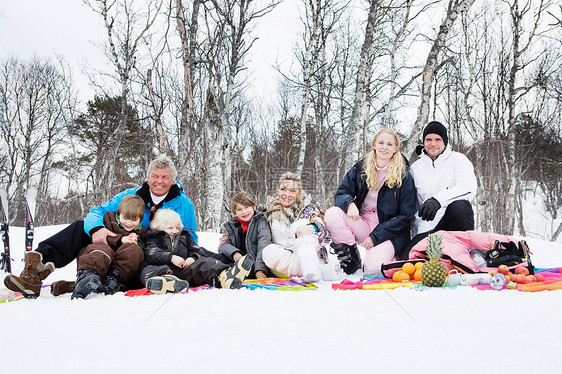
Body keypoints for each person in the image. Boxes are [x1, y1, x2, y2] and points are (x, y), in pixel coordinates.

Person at [4, 155, 198, 298]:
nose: (159, 181)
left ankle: (90, 282)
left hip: (146, 255)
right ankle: (33, 273)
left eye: (165, 177)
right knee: (81, 227)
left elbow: (190, 236)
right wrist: (98, 229)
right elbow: (97, 212)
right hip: (113, 243)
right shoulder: (131, 195)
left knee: (136, 261)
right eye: (155, 176)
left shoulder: (183, 204)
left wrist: (187, 259)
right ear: (148, 177)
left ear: (172, 179)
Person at [324, 128, 416, 275]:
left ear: (396, 148)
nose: (384, 147)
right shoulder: (361, 168)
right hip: (363, 224)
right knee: (332, 214)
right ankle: (351, 255)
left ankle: (393, 256)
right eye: (381, 142)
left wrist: (376, 236)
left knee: (373, 270)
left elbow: (406, 216)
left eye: (389, 144)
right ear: (374, 144)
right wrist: (350, 204)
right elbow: (341, 193)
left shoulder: (404, 175)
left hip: (389, 231)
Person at [405, 121, 477, 255]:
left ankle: (463, 251)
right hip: (425, 230)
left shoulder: (459, 160)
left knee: (461, 205)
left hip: (452, 225)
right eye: (428, 139)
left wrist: (438, 200)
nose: (433, 143)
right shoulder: (416, 168)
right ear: (424, 142)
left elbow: (468, 188)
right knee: (408, 262)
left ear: (445, 141)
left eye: (438, 139)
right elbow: (410, 204)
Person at [142, 209, 253, 292]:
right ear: (158, 227)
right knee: (146, 269)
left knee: (207, 262)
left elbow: (197, 250)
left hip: (185, 271)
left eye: (177, 227)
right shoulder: (153, 237)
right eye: (170, 228)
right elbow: (152, 252)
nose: (175, 231)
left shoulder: (184, 236)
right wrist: (171, 257)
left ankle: (225, 277)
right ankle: (167, 283)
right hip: (165, 269)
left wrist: (193, 258)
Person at [261, 172, 339, 282]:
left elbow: (326, 235)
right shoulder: (267, 212)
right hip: (284, 263)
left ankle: (310, 270)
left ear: (299, 193)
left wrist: (313, 227)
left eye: (292, 191)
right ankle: (322, 272)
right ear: (278, 191)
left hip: (309, 254)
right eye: (283, 189)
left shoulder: (308, 209)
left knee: (300, 224)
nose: (287, 194)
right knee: (268, 251)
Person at [71, 195, 147, 299]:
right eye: (125, 218)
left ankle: (112, 279)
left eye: (134, 220)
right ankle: (86, 276)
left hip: (117, 268)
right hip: (99, 257)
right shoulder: (108, 219)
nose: (129, 223)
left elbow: (141, 250)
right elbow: (101, 237)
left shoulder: (140, 231)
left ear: (140, 219)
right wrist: (121, 240)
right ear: (119, 214)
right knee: (102, 248)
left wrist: (136, 242)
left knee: (135, 250)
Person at [218, 192, 272, 279]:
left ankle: (227, 275)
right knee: (213, 257)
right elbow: (223, 245)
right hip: (237, 260)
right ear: (235, 213)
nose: (244, 212)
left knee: (230, 268)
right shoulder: (233, 225)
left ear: (254, 207)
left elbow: (263, 244)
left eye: (247, 207)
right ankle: (214, 273)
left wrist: (260, 269)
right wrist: (234, 252)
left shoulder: (260, 222)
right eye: (239, 209)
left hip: (253, 264)